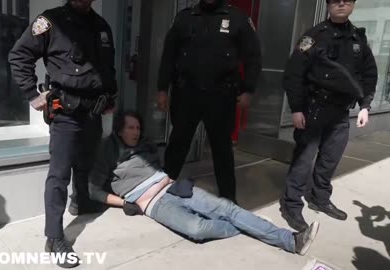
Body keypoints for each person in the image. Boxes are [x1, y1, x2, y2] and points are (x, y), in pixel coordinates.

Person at [89, 111, 320, 257]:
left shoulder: (146, 145)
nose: (136, 132)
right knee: (197, 229)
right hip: (153, 203)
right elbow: (94, 190)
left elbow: (158, 169)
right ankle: (251, 224)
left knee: (227, 208)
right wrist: (123, 203)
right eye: (130, 127)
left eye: (138, 128)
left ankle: (292, 240)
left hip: (173, 186)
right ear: (119, 129)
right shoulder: (108, 150)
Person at [8, 0, 117, 267]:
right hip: (65, 113)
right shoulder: (50, 21)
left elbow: (107, 67)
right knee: (59, 174)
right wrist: (32, 94)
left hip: (93, 111)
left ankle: (81, 203)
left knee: (85, 163)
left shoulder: (101, 26)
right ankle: (54, 236)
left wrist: (110, 96)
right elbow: (19, 55)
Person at [279, 0, 377, 231]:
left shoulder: (358, 39)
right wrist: (296, 109)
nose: (341, 4)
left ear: (353, 4)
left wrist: (365, 105)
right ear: (328, 5)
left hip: (341, 113)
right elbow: (294, 74)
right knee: (303, 162)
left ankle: (319, 198)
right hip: (314, 109)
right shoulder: (314, 36)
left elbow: (369, 74)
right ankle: (291, 204)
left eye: (346, 0)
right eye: (335, 0)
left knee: (329, 160)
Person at [157, 0, 262, 203]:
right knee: (177, 144)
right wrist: (162, 88)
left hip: (221, 97)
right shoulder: (184, 17)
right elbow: (168, 56)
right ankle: (160, 192)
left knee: (222, 149)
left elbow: (253, 57)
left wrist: (248, 89)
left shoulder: (238, 18)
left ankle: (229, 199)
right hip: (186, 94)